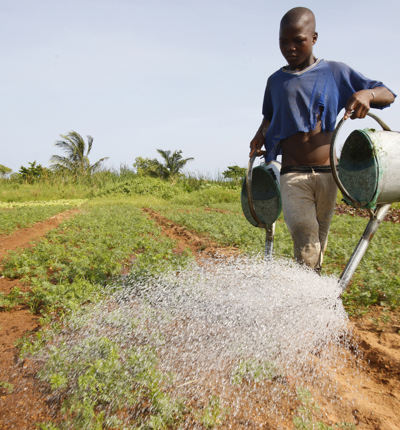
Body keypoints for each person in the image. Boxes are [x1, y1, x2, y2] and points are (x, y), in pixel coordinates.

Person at [250, 7, 395, 273]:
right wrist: (261, 134)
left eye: (298, 40)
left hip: (329, 174)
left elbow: (387, 94)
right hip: (293, 175)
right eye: (283, 42)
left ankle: (311, 295)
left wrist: (367, 95)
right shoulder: (275, 82)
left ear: (314, 38)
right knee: (305, 238)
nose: (289, 48)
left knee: (318, 242)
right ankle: (310, 299)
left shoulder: (335, 72)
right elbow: (270, 118)